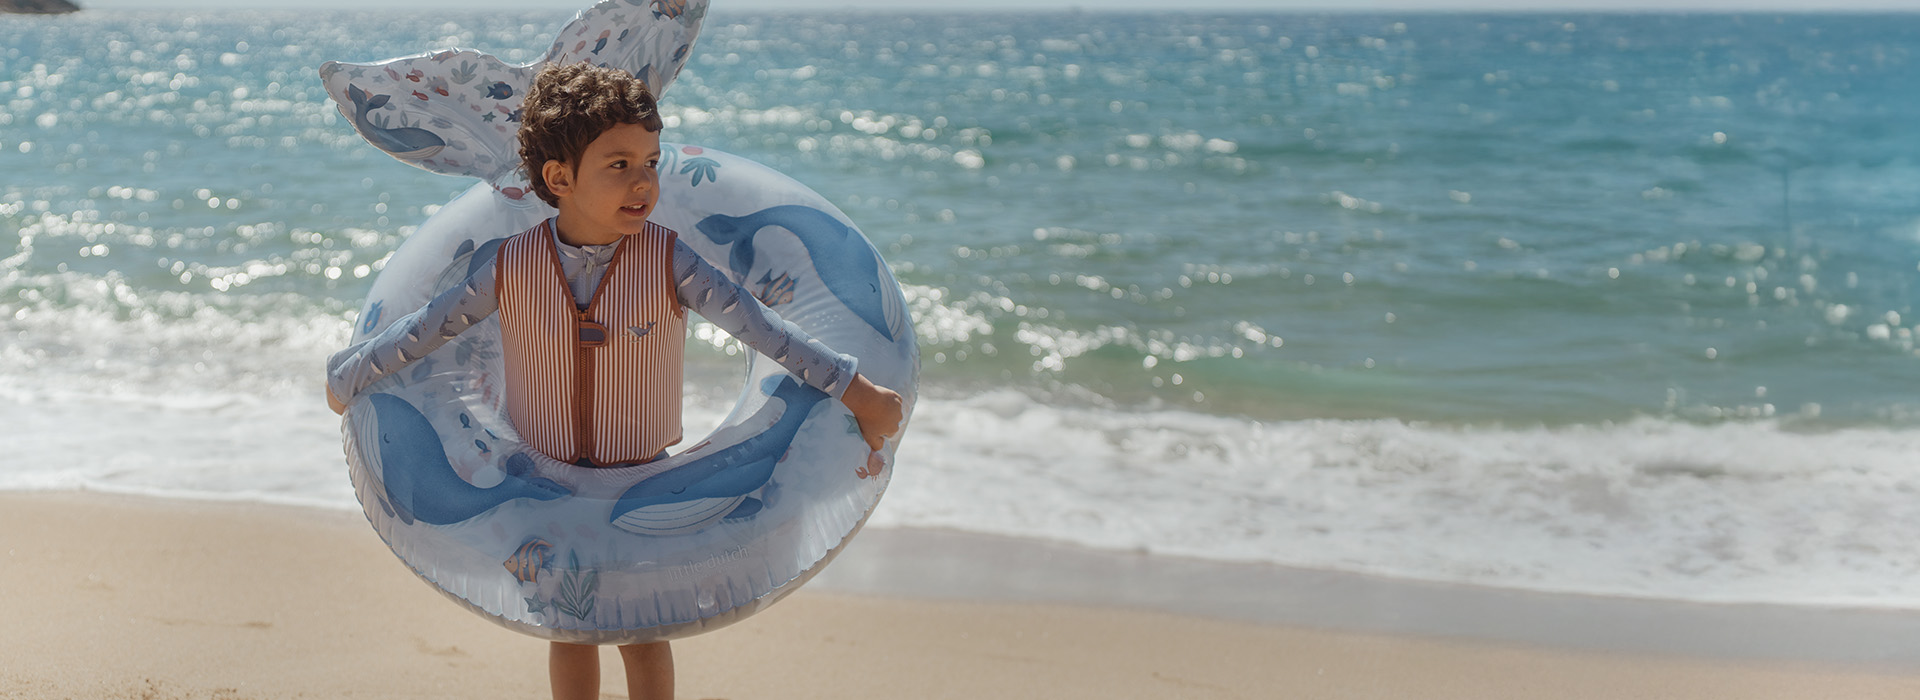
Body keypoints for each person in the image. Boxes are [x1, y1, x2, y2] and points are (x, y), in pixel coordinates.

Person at [324, 61, 904, 700]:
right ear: (559, 178)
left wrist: (856, 390)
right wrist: (352, 373)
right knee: (567, 630)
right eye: (619, 164)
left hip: (647, 474)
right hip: (539, 475)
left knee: (643, 628)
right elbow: (427, 328)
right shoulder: (510, 266)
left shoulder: (670, 260)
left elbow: (765, 332)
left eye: (651, 162)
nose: (644, 182)